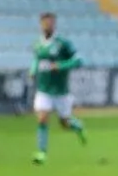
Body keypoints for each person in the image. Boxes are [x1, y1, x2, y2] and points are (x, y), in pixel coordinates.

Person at [30, 12, 86, 164]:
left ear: (54, 25)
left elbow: (79, 60)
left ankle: (78, 126)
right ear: (41, 24)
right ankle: (42, 153)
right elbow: (37, 60)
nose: (48, 25)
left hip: (61, 91)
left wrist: (61, 65)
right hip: (43, 90)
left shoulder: (62, 43)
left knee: (65, 123)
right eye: (45, 23)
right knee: (42, 118)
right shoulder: (37, 44)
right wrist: (33, 71)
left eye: (50, 22)